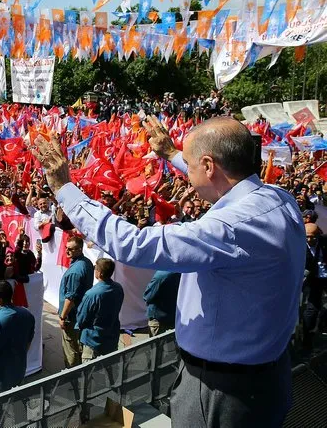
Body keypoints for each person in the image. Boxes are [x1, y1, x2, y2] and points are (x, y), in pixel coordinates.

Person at [33, 116, 305, 427]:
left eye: (188, 165)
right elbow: (216, 176)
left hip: (224, 391)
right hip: (266, 377)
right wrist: (170, 154)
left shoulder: (229, 227)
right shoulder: (278, 198)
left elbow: (131, 243)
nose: (186, 174)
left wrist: (64, 186)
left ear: (208, 165)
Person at [75, 259, 124, 362]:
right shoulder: (118, 288)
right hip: (111, 339)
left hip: (93, 342)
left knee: (89, 376)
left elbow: (82, 319)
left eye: (96, 269)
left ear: (100, 273)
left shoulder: (92, 294)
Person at [57, 236, 94, 367]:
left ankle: (72, 377)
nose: (66, 251)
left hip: (71, 317)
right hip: (80, 314)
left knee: (70, 349)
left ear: (79, 249)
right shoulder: (87, 262)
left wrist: (62, 316)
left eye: (70, 250)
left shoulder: (75, 271)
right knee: (77, 345)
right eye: (66, 248)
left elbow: (70, 298)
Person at [303, 222, 327, 350]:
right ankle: (307, 340)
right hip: (314, 280)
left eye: (313, 236)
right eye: (307, 236)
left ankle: (323, 323)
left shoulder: (324, 242)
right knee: (312, 308)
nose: (310, 239)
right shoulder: (300, 247)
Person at [143, 270, 181, 336]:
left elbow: (147, 296)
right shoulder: (183, 272)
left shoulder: (161, 275)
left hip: (158, 318)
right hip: (175, 316)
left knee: (156, 344)